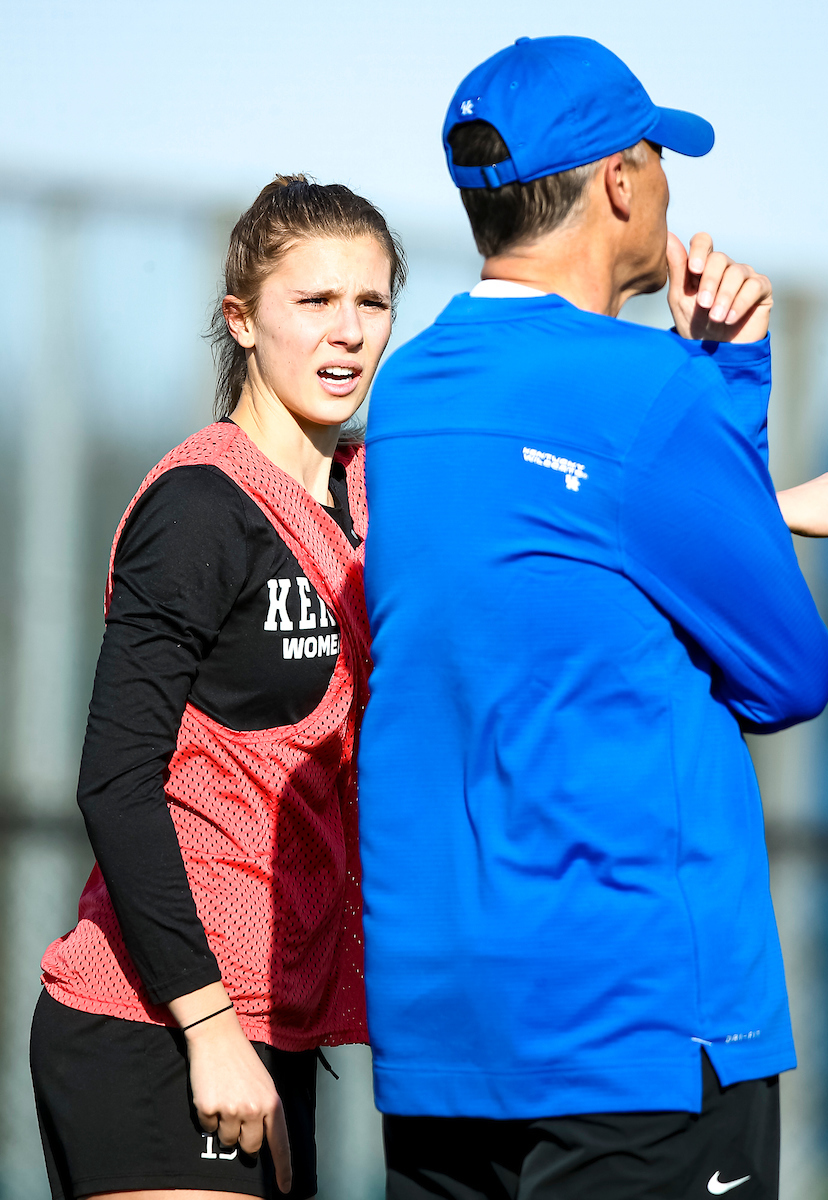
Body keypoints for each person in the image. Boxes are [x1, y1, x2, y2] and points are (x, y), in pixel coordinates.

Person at [357, 36, 828, 1200]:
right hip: (636, 1026)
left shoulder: (402, 397)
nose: (667, 185)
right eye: (659, 155)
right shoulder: (651, 390)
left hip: (445, 1034)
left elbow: (568, 557)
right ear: (619, 181)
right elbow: (783, 672)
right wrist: (730, 380)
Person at [31, 175, 404, 1200]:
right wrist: (206, 1025)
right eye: (313, 302)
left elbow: (537, 525)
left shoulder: (375, 489)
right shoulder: (201, 506)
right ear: (242, 320)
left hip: (279, 1029)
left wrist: (761, 511)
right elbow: (113, 779)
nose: (348, 334)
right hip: (160, 1023)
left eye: (371, 303)